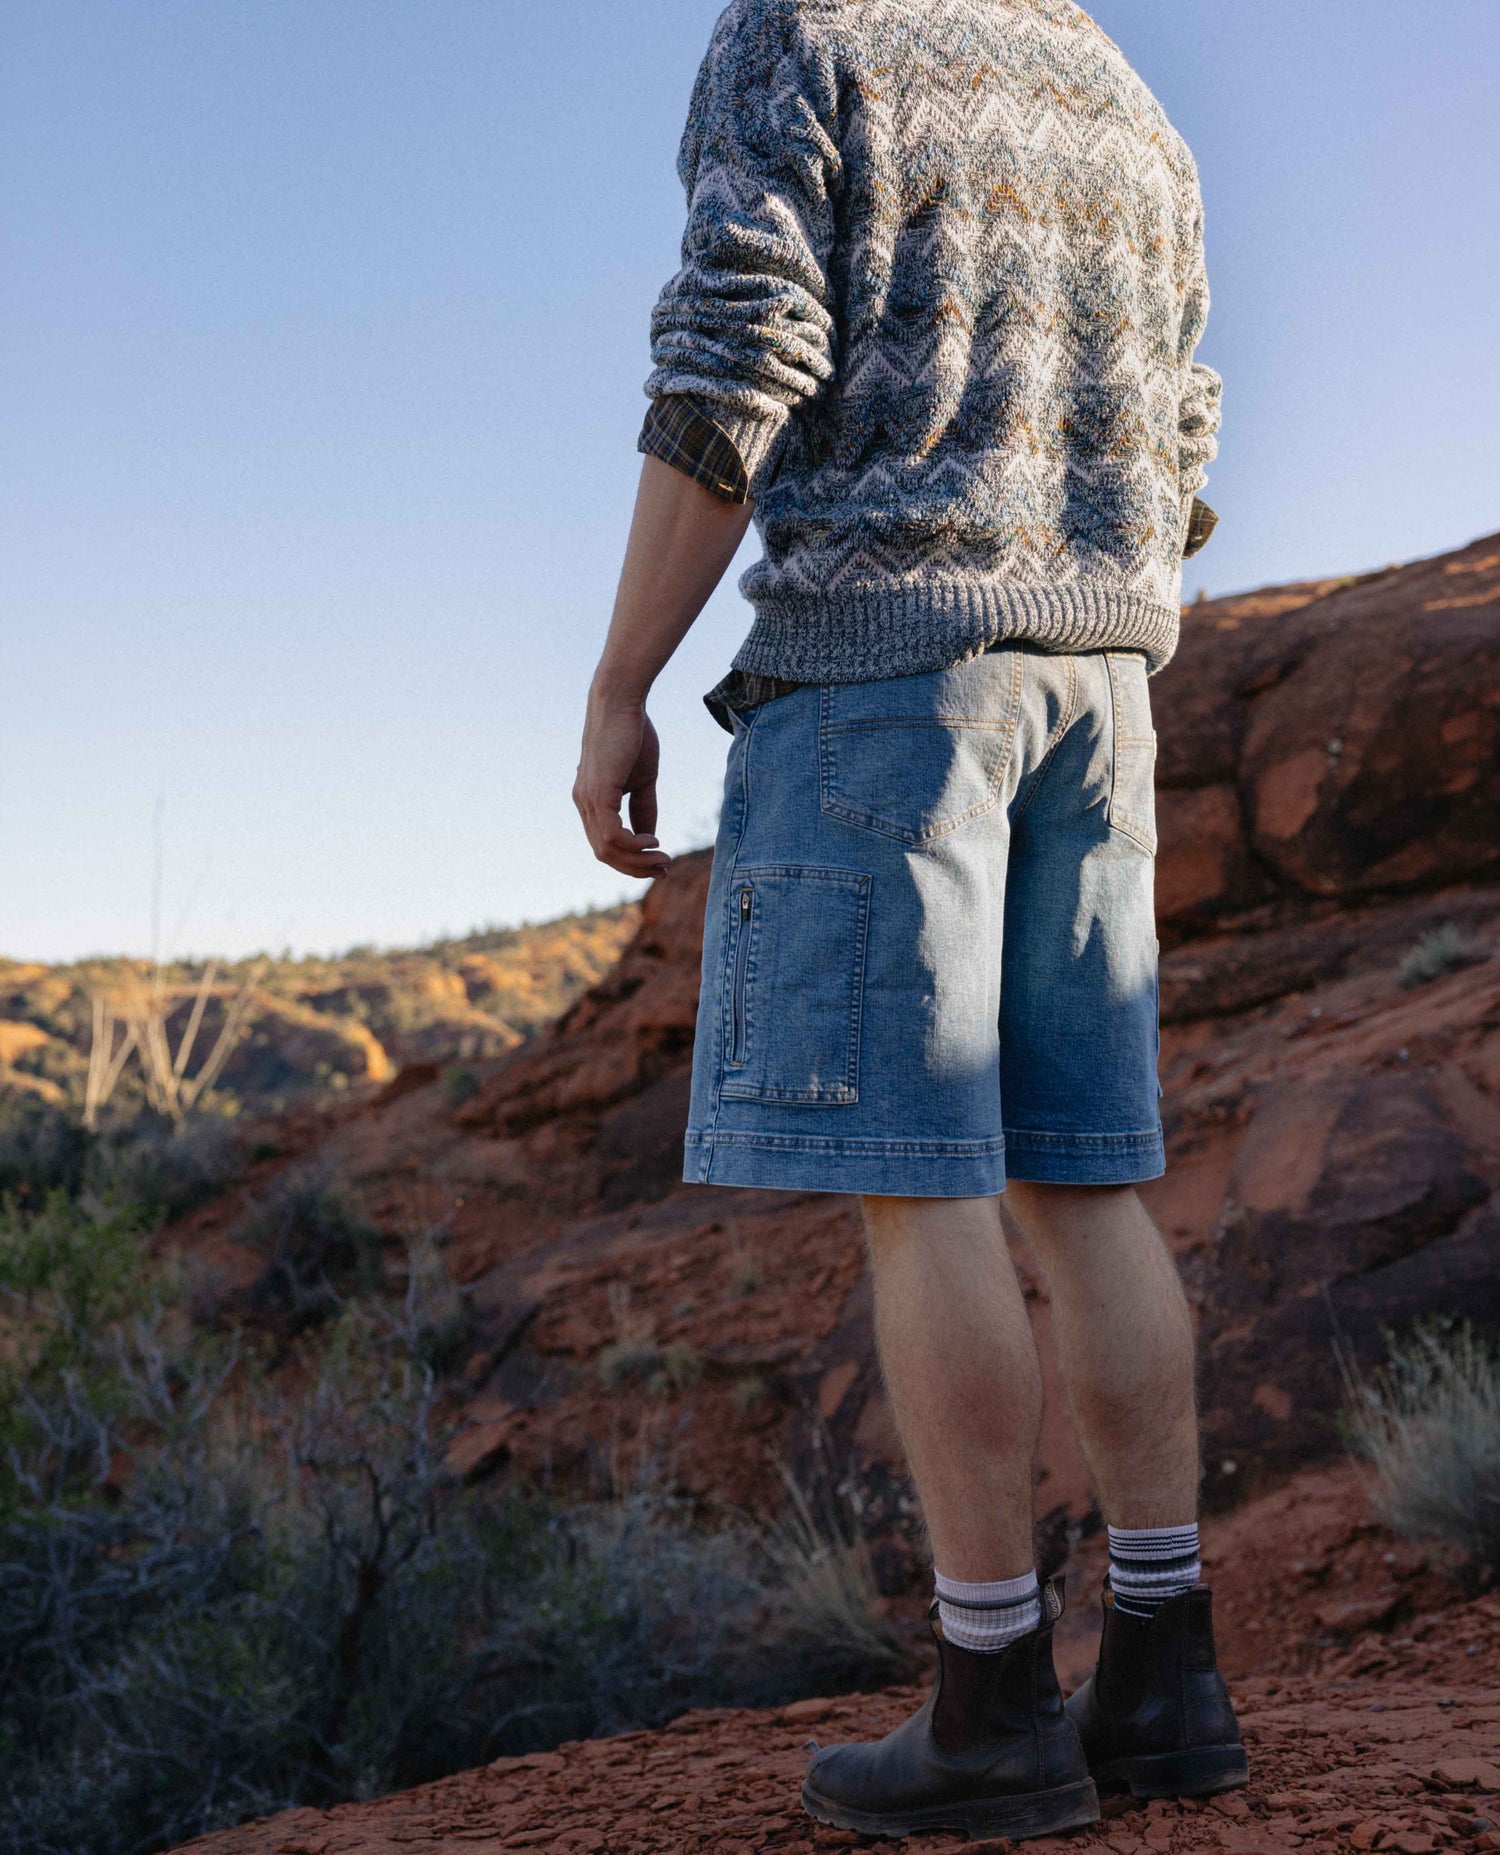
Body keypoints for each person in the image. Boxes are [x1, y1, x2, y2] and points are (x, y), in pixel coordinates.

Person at [573, 0, 1240, 1840]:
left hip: (888, 676)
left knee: (924, 1178)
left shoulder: (809, 30)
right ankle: (1169, 1677)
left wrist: (623, 680)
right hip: (1102, 691)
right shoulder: (1121, 88)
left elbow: (736, 355)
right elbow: (1184, 419)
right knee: (1084, 1176)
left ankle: (996, 1699)